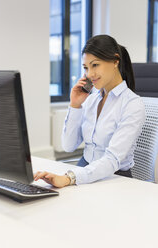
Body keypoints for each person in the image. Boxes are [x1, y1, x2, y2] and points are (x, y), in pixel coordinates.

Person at [34, 34, 145, 187]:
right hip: (85, 171)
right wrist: (75, 106)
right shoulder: (92, 99)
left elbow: (112, 159)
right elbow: (68, 146)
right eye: (86, 67)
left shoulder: (132, 104)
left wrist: (69, 178)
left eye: (95, 65)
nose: (89, 75)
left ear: (115, 61)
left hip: (115, 179)